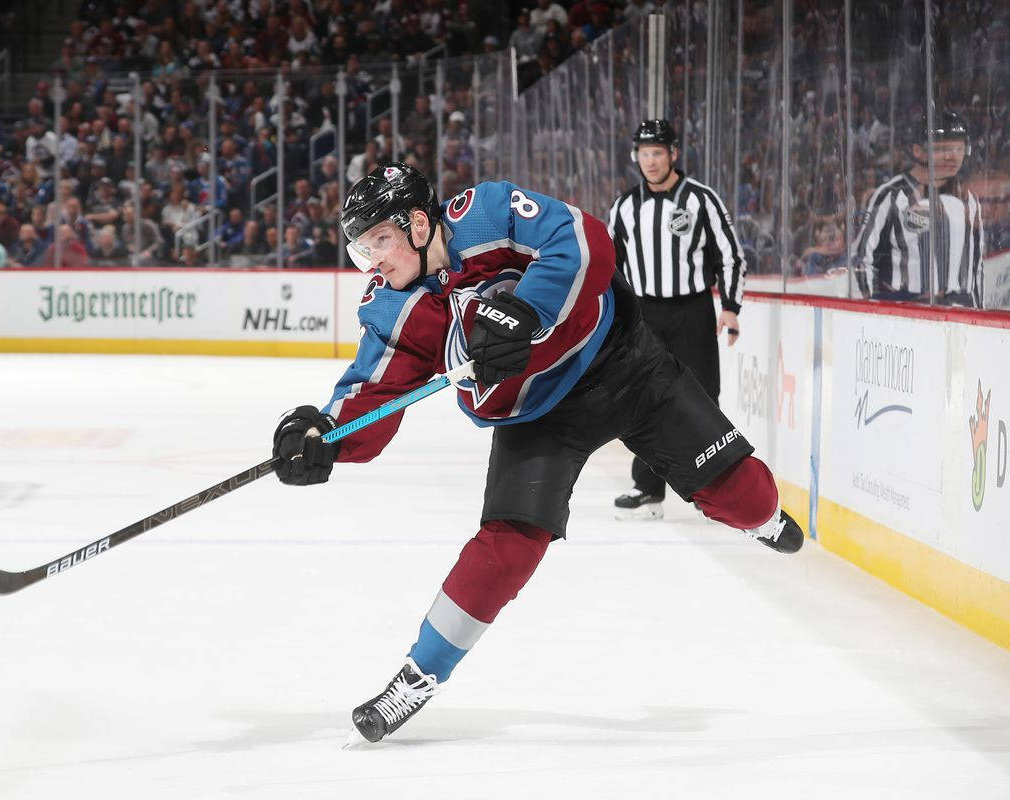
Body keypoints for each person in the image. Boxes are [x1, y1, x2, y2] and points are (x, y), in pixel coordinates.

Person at [270, 162, 803, 745]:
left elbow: (583, 241)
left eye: (381, 242)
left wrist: (529, 309)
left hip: (628, 368)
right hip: (540, 418)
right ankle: (420, 674)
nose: (372, 261)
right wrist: (323, 434)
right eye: (361, 249)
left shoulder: (488, 213)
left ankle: (764, 522)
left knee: (746, 496)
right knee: (506, 545)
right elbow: (372, 391)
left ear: (419, 224)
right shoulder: (389, 307)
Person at [605, 119, 746, 520]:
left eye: (657, 153)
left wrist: (731, 307)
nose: (649, 162)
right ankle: (647, 488)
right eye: (643, 154)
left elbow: (730, 255)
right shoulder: (625, 206)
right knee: (642, 397)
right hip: (644, 314)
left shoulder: (701, 199)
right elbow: (610, 264)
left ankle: (718, 490)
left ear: (674, 154)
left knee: (702, 398)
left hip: (692, 311)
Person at [853, 110, 984, 308]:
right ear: (918, 151)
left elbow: (976, 266)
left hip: (958, 322)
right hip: (905, 319)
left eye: (958, 148)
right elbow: (862, 259)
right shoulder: (890, 195)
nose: (952, 156)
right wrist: (874, 314)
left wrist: (979, 315)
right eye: (943, 148)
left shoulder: (969, 199)